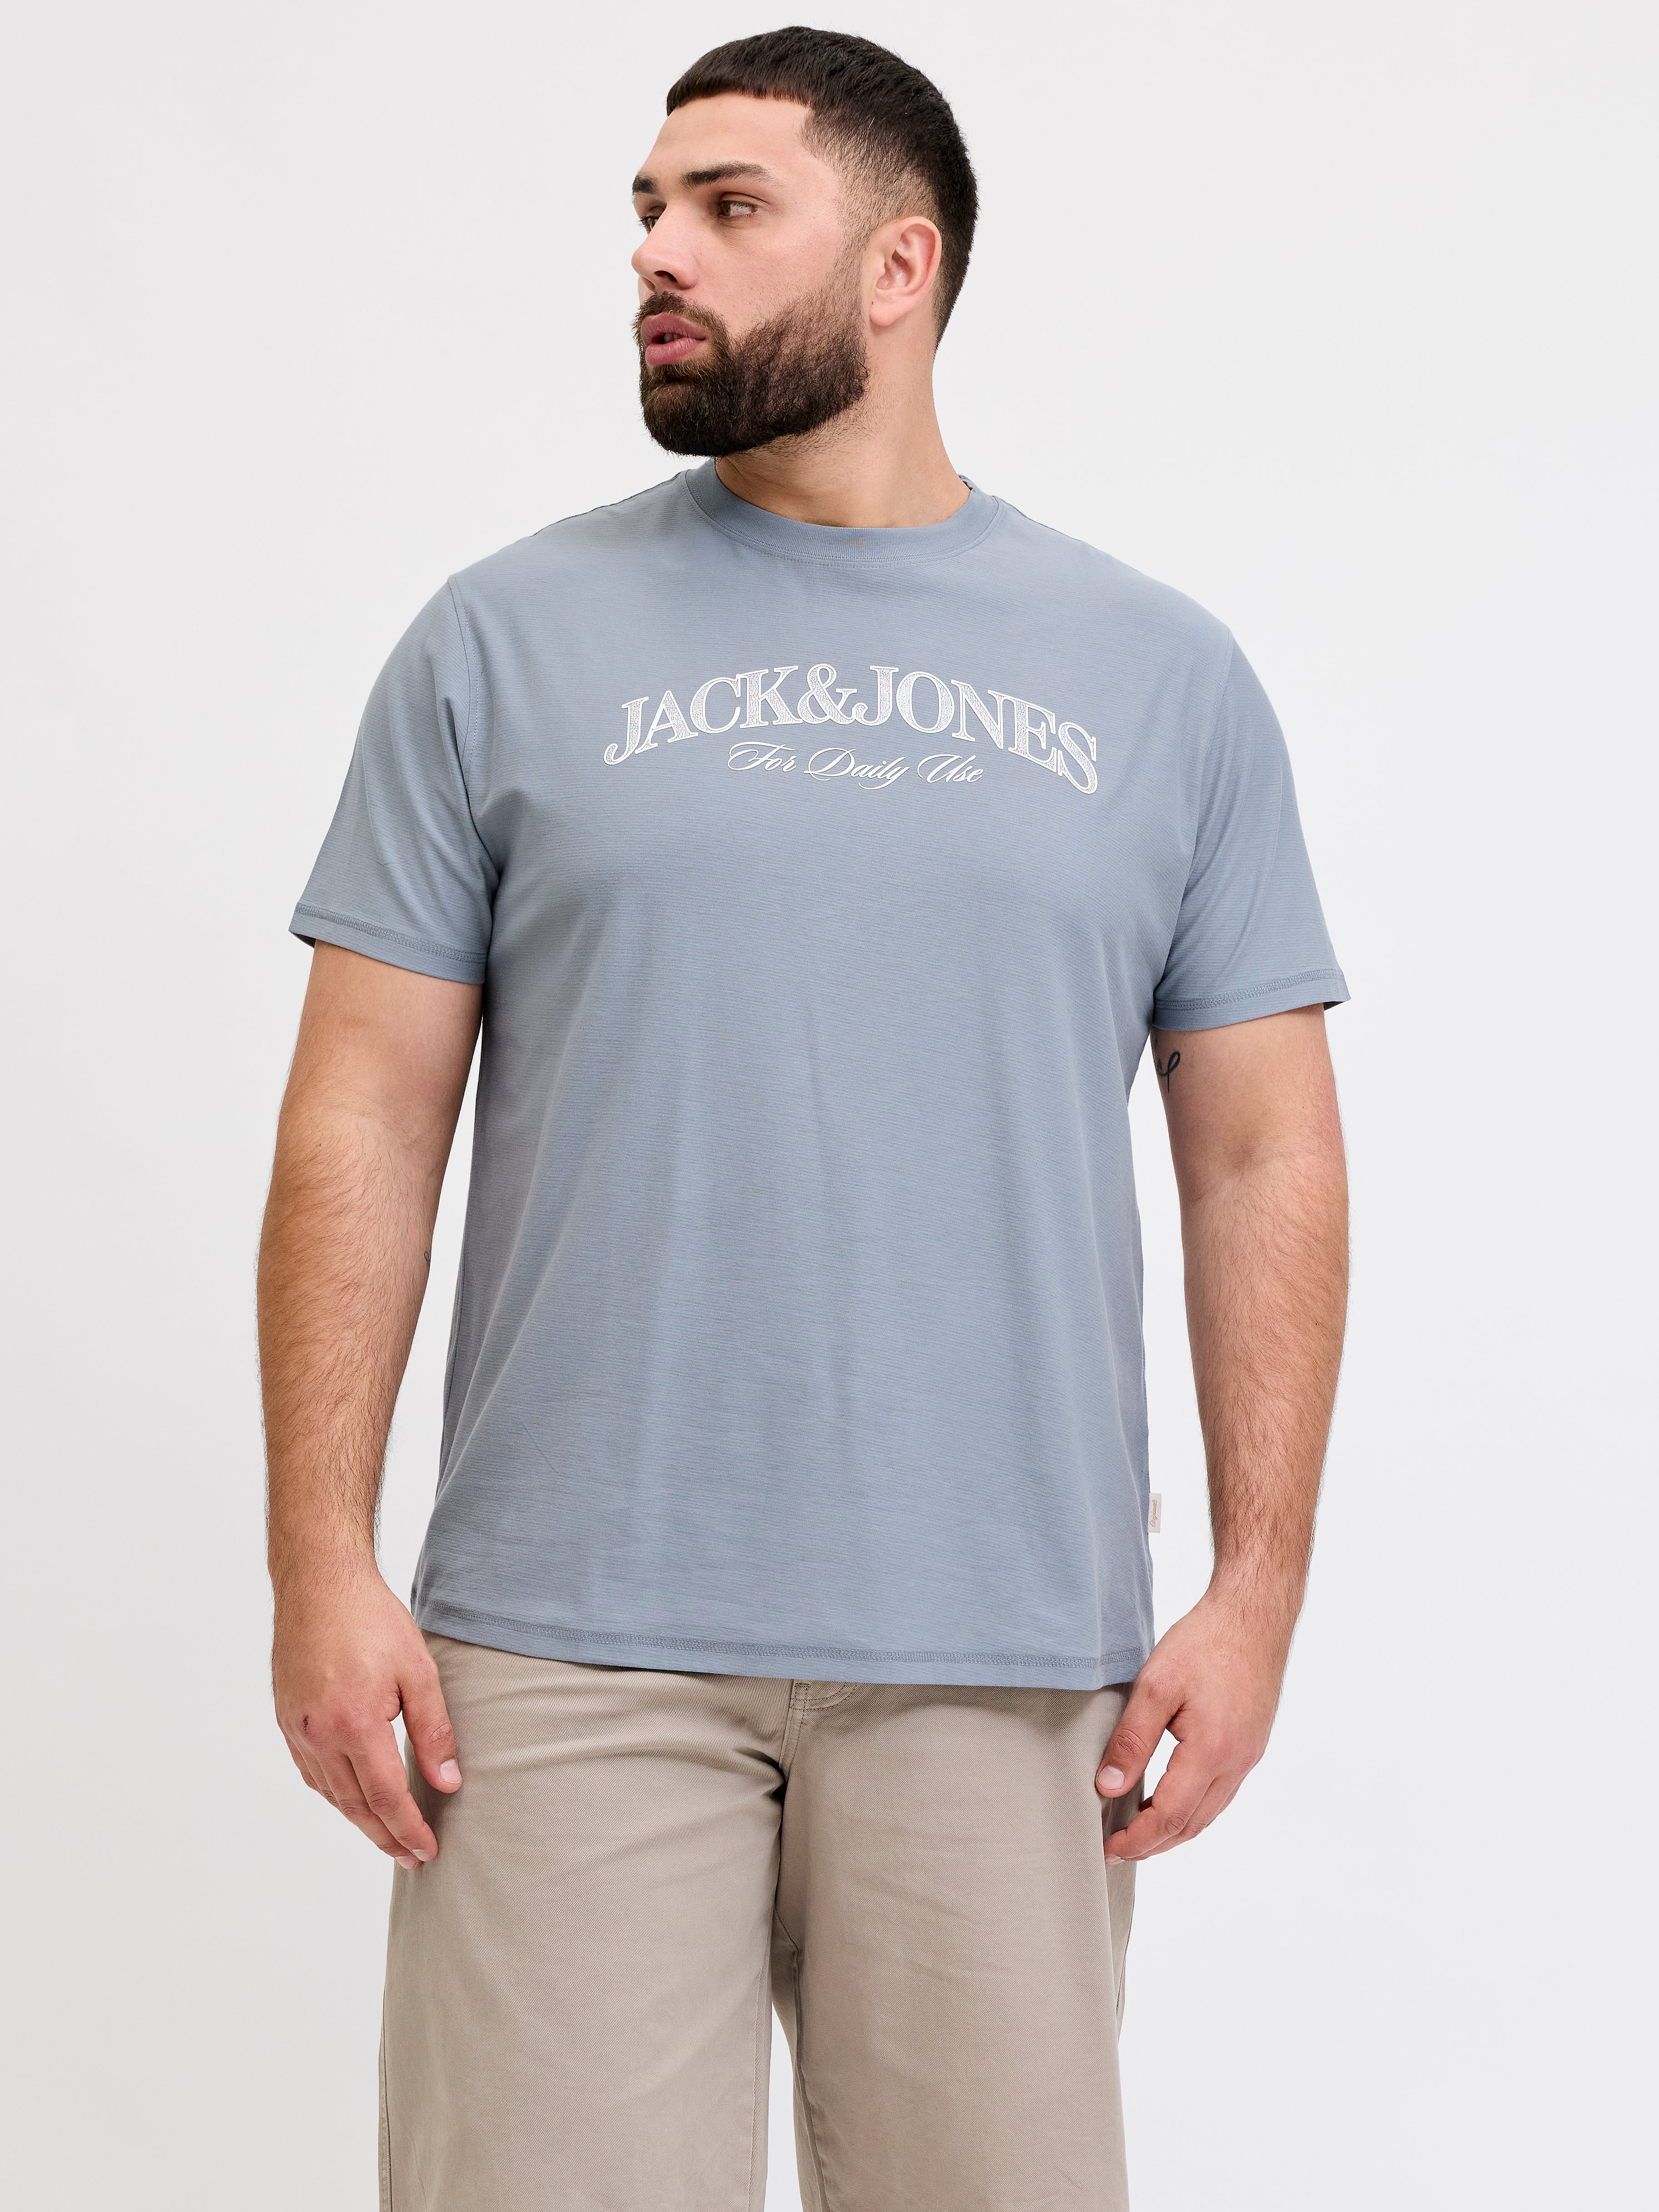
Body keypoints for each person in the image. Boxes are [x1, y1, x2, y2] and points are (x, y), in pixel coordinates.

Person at [258, 26, 1350, 2212]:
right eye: (645, 211)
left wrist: (1256, 1588)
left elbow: (1262, 1149)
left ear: (897, 266)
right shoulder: (498, 639)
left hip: (1005, 1647)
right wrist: (319, 1557)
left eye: (726, 206)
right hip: (561, 1647)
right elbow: (361, 1112)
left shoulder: (1161, 675)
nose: (654, 254)